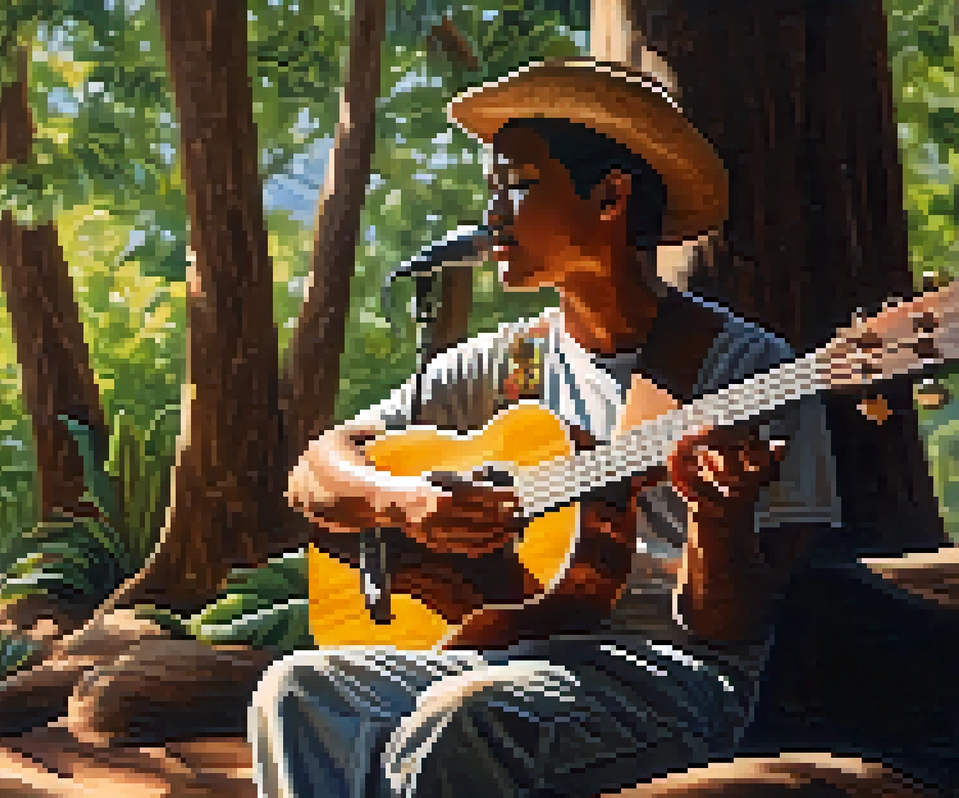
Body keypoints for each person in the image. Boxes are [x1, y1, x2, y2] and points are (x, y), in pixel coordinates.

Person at [250, 58, 840, 798]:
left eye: (520, 185)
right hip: (508, 654)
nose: (492, 213)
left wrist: (719, 519)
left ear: (610, 196)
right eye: (492, 189)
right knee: (298, 690)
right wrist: (404, 504)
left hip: (669, 679)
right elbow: (317, 471)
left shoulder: (744, 370)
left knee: (464, 716)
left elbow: (729, 630)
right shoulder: (507, 365)